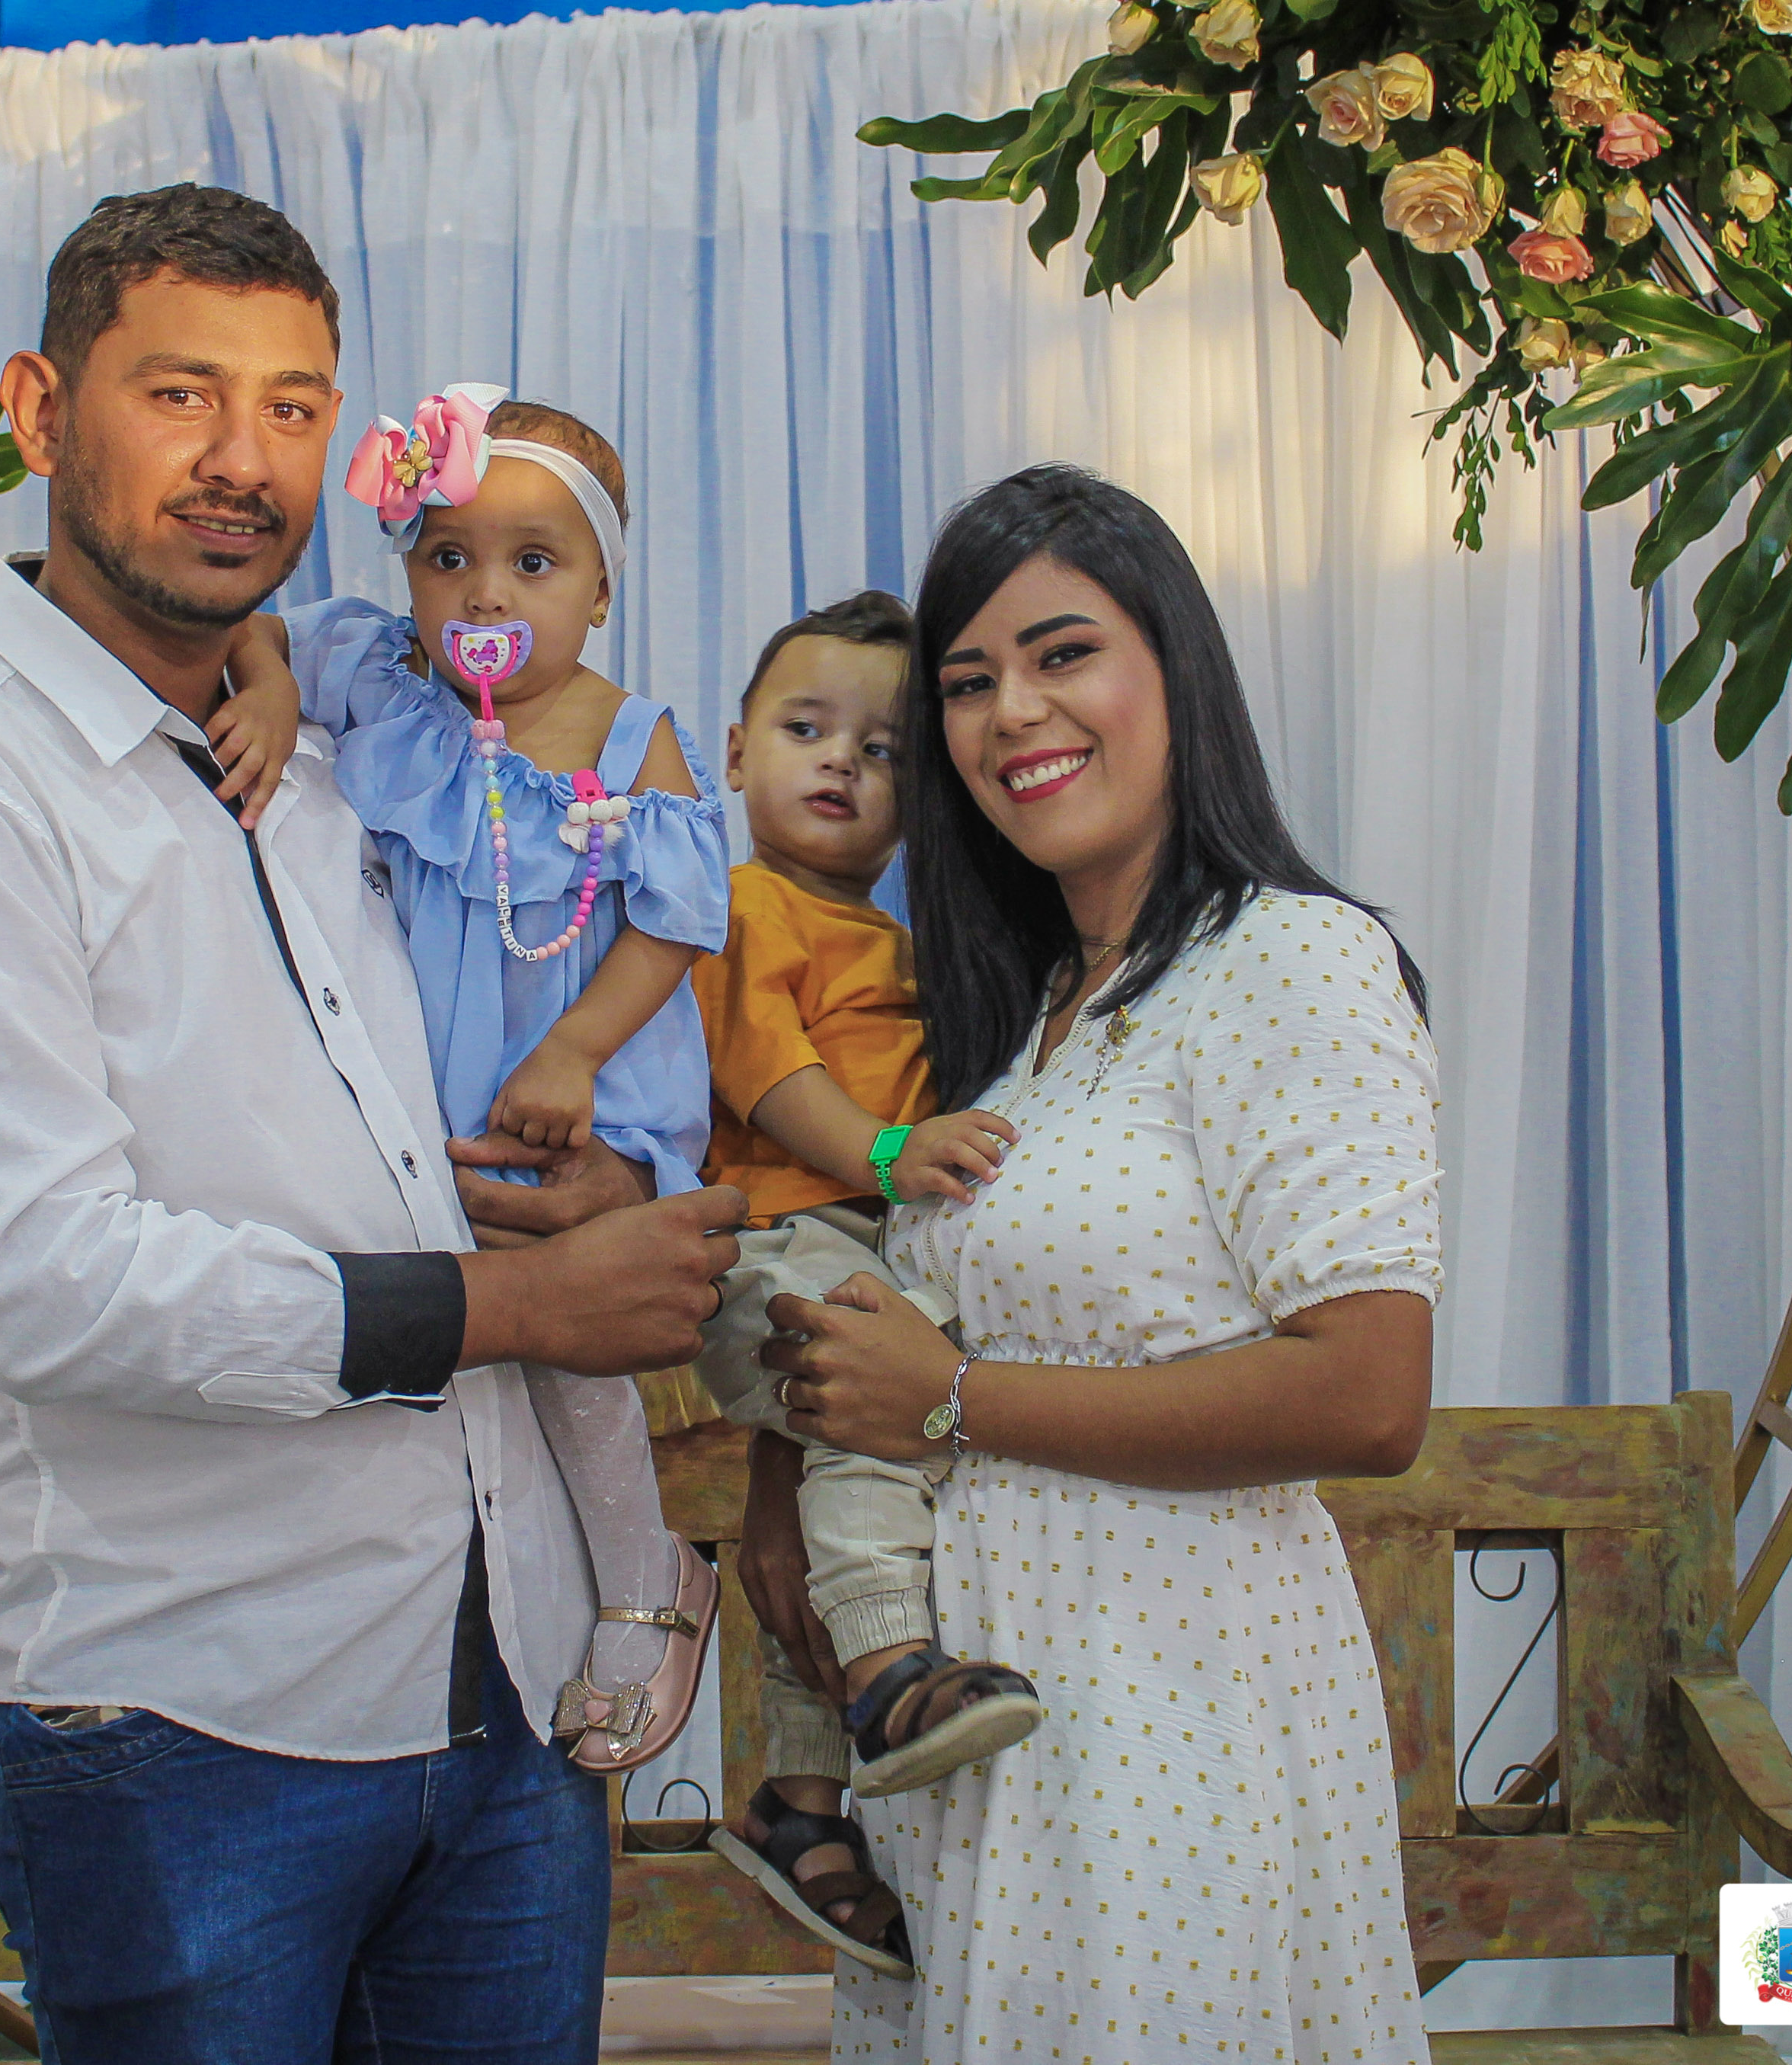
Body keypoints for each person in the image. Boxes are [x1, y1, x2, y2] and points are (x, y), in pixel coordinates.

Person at [0, 184, 744, 2065]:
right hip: (189, 1725)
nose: (240, 458)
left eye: (290, 407)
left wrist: (594, 1187)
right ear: (41, 412)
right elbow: (46, 1282)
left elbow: (450, 1088)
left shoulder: (342, 757)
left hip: (502, 1681)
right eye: (181, 393)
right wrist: (519, 1306)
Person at [750, 466, 1439, 2062]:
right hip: (966, 1743)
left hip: (1166, 1721)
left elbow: (1365, 1394)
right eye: (965, 683)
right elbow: (882, 1307)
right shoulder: (1025, 1016)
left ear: (1173, 669)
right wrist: (795, 1466)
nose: (1012, 713)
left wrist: (953, 1399)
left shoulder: (1291, 957)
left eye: (1062, 654)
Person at [216, 382, 729, 1772]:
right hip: (424, 1090)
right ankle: (483, 1606)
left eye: (533, 561)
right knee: (456, 1331)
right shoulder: (385, 678)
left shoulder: (628, 738)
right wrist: (273, 688)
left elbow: (678, 920)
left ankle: (648, 1576)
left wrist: (573, 1049)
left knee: (554, 1327)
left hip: (572, 1087)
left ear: (600, 592)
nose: (484, 592)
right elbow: (253, 625)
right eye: (448, 557)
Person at [662, 593, 1043, 1980]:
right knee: (881, 1401)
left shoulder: (899, 939)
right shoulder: (728, 901)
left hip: (844, 1239)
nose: (840, 761)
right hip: (774, 1233)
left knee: (853, 1463)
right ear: (733, 750)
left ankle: (800, 1798)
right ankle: (884, 1672)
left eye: (881, 750)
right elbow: (766, 1069)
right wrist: (888, 1152)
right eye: (804, 728)